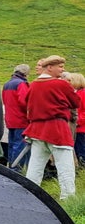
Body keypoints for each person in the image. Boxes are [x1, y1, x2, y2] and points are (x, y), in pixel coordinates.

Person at [24, 55, 79, 200]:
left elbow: (26, 103)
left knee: (35, 166)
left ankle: (29, 195)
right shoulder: (61, 84)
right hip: (57, 129)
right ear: (50, 67)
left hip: (37, 129)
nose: (62, 69)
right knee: (65, 166)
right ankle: (68, 198)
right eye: (59, 67)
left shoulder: (34, 84)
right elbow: (75, 102)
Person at [2, 64, 30, 172]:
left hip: (10, 118)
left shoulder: (7, 83)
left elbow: (4, 100)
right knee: (20, 145)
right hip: (21, 119)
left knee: (12, 144)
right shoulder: (21, 84)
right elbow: (24, 102)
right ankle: (16, 169)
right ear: (25, 73)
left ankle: (11, 167)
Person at [69, 72, 85, 167]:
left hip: (81, 127)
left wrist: (78, 121)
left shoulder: (82, 94)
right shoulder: (76, 93)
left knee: (80, 148)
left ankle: (82, 166)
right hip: (77, 126)